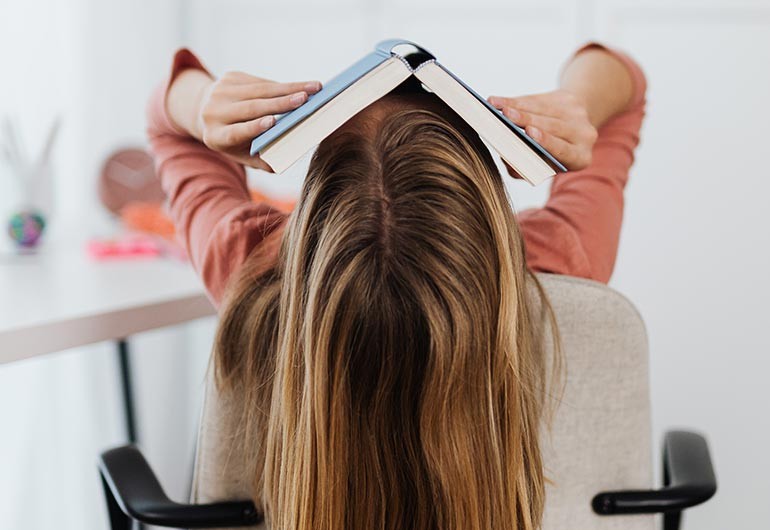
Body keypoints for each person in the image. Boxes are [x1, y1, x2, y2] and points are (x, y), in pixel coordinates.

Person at [147, 42, 646, 530]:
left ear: (315, 211)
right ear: (482, 206)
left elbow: (168, 126)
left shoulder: (254, 267)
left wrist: (202, 105)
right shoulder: (558, 257)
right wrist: (575, 109)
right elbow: (622, 79)